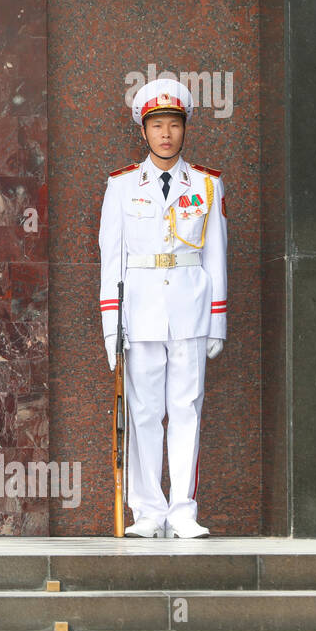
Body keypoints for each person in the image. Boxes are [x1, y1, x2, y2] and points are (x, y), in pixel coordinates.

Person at [98, 78, 227, 538]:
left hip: (190, 309)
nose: (166, 133)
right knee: (145, 412)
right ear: (143, 132)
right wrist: (111, 325)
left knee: (186, 408)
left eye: (174, 124)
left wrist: (218, 320)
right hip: (141, 312)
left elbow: (215, 254)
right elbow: (110, 259)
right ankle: (148, 511)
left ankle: (183, 511)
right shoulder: (122, 186)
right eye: (157, 125)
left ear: (185, 129)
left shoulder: (208, 184)